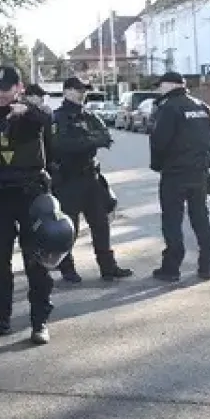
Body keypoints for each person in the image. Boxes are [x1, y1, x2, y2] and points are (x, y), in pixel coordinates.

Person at [0, 65, 57, 346]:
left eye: (7, 89)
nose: (2, 94)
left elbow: (48, 122)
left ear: (19, 88)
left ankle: (39, 321)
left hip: (30, 195)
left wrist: (29, 110)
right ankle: (1, 318)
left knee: (35, 262)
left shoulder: (31, 114)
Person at [48, 77, 133, 282]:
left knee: (101, 224)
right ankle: (67, 269)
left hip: (91, 178)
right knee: (70, 228)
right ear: (66, 91)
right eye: (78, 89)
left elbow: (106, 137)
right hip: (68, 179)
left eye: (84, 90)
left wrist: (84, 141)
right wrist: (88, 141)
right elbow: (60, 145)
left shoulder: (89, 116)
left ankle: (108, 267)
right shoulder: (57, 118)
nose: (82, 93)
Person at [148, 71, 210, 281]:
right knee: (201, 219)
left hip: (175, 174)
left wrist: (158, 166)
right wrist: (206, 165)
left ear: (169, 85)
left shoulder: (168, 107)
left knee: (172, 221)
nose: (159, 89)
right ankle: (207, 267)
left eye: (160, 85)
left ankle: (171, 268)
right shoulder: (202, 107)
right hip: (198, 172)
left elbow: (159, 141)